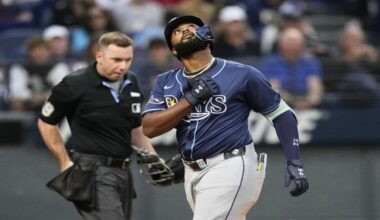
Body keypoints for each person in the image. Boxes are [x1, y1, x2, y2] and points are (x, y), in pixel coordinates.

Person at [142, 15, 309, 220]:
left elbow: (281, 113)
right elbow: (149, 128)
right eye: (177, 31)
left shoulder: (242, 74)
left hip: (231, 164)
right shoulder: (165, 81)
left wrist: (294, 161)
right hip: (191, 172)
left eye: (192, 27)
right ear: (173, 50)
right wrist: (191, 99)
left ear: (207, 35)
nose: (185, 30)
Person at [37, 32, 164, 220]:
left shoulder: (132, 81)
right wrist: (64, 161)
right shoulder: (75, 83)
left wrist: (152, 156)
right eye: (116, 59)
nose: (123, 66)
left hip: (123, 172)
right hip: (92, 172)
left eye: (128, 60)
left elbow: (135, 128)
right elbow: (46, 122)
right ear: (99, 56)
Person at [260, 27, 323, 109]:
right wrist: (291, 101)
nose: (292, 47)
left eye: (296, 43)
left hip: (308, 105)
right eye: (289, 43)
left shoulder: (310, 62)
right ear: (280, 45)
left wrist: (311, 101)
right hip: (278, 106)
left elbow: (315, 85)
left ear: (302, 45)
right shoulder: (270, 63)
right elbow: (271, 88)